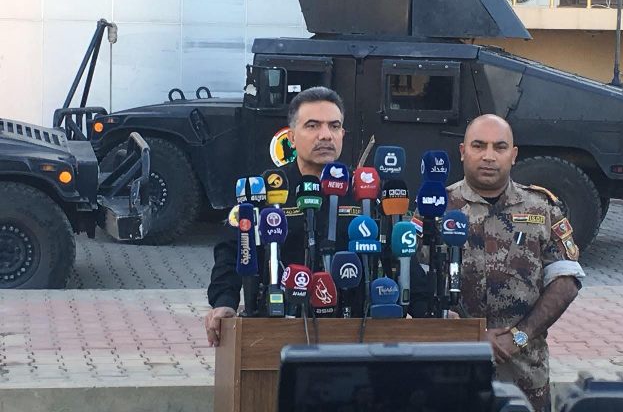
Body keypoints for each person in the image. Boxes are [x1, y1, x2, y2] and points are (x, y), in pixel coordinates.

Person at [205, 87, 426, 347]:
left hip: (357, 330)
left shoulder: (365, 192)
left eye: (334, 126)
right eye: (312, 126)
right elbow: (232, 251)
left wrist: (429, 309)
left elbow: (400, 253)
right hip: (279, 328)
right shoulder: (266, 190)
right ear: (291, 138)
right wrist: (224, 302)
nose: (325, 135)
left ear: (342, 134)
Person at [445, 114, 585, 411]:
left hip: (524, 372)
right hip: (453, 367)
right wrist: (470, 334)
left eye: (499, 147)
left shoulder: (542, 207)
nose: (489, 156)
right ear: (462, 151)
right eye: (479, 146)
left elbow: (566, 280)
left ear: (514, 154)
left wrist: (520, 336)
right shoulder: (437, 208)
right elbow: (413, 281)